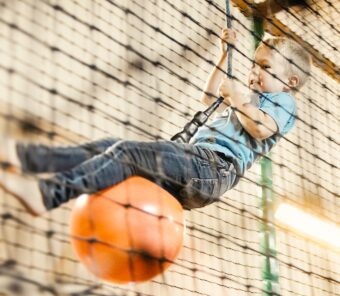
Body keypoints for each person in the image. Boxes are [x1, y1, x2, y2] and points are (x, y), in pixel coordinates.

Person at [0, 29, 311, 216]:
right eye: (253, 64)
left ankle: (46, 194)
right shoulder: (247, 96)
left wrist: (240, 99)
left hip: (213, 170)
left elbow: (260, 128)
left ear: (290, 80)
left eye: (265, 67)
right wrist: (224, 55)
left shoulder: (284, 103)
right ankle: (28, 157)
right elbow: (208, 96)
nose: (254, 71)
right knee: (108, 147)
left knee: (126, 153)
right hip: (193, 164)